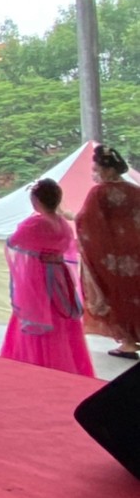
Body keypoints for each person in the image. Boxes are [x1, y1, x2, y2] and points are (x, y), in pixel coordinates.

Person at [0, 179, 93, 377]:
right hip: (60, 277)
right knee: (60, 317)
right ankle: (64, 362)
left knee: (36, 315)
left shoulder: (35, 223)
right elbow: (68, 248)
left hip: (38, 278)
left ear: (36, 201)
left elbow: (14, 242)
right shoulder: (63, 225)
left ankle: (33, 360)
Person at [77, 145, 140, 360]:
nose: (96, 174)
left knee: (118, 295)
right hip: (137, 251)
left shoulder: (99, 192)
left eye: (97, 170)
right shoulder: (136, 191)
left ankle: (129, 342)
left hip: (114, 256)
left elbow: (87, 222)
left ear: (109, 170)